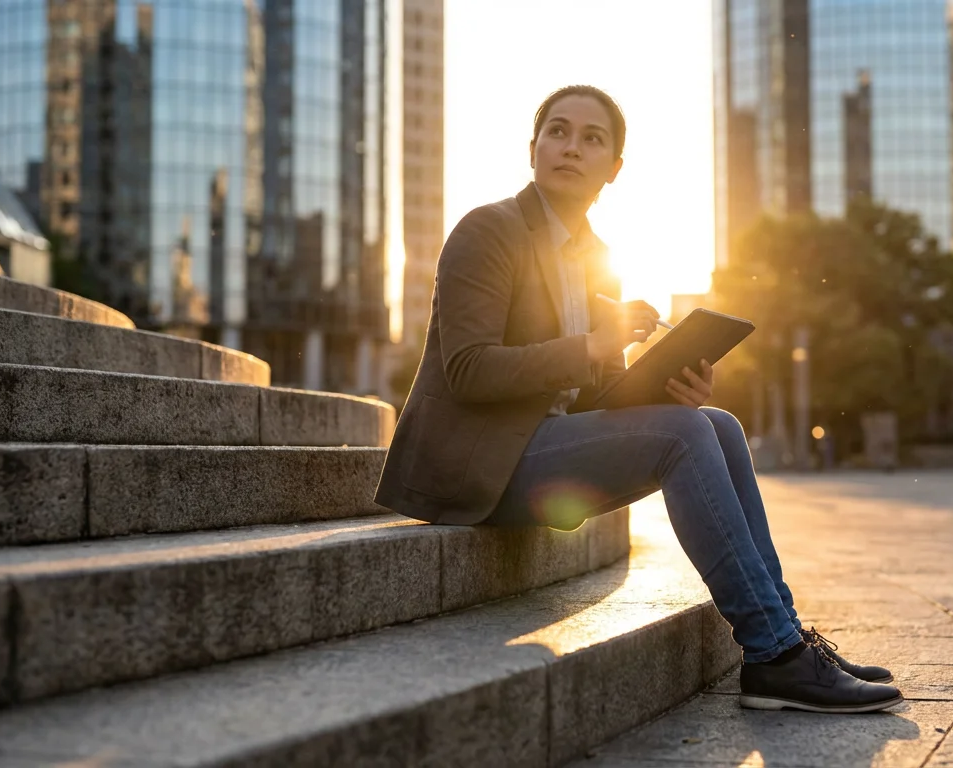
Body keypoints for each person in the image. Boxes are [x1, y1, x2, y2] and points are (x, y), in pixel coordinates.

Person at [375, 85, 902, 714]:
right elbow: (467, 371)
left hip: (545, 448)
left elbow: (596, 398)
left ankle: (785, 638)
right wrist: (594, 346)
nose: (571, 147)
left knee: (717, 422)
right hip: (479, 464)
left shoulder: (600, 261)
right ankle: (772, 653)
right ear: (534, 147)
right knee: (683, 434)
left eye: (591, 138)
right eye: (558, 132)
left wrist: (669, 387)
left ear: (614, 169)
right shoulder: (488, 230)